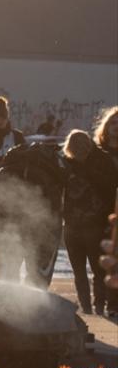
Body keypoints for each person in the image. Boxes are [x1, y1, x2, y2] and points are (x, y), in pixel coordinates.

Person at [0, 140, 65, 288]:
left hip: (9, 227)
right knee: (38, 279)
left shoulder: (0, 175)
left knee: (7, 276)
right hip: (41, 229)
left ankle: (5, 303)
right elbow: (55, 212)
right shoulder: (50, 175)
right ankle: (34, 305)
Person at [61, 131, 110, 314]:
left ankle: (88, 306)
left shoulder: (65, 166)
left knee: (80, 271)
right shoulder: (98, 164)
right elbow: (108, 192)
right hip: (91, 225)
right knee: (97, 270)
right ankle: (96, 306)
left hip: (74, 226)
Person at [90, 106, 118, 315]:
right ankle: (100, 302)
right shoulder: (97, 154)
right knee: (99, 261)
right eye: (113, 123)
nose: (116, 128)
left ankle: (114, 304)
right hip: (98, 213)